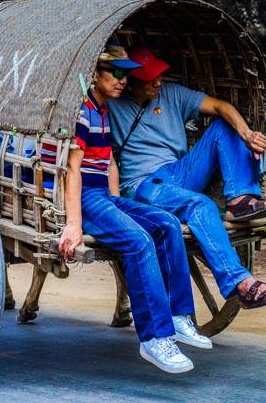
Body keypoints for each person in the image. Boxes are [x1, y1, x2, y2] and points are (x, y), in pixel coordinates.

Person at [59, 44, 210, 374]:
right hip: (84, 195)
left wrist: (118, 205)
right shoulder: (81, 113)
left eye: (126, 74)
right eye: (115, 73)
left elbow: (110, 162)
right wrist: (73, 224)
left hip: (103, 195)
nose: (123, 80)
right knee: (139, 240)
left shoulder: (103, 111)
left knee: (167, 223)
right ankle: (154, 338)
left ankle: (178, 314)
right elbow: (72, 169)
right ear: (94, 75)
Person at [108, 46, 266, 310]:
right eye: (150, 78)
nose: (158, 82)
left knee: (223, 125)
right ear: (131, 82)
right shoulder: (113, 106)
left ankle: (241, 199)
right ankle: (242, 284)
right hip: (145, 185)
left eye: (159, 75)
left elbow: (220, 106)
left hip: (180, 171)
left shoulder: (171, 94)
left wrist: (248, 134)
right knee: (200, 205)